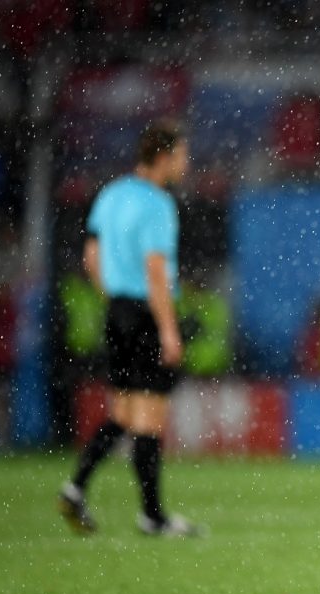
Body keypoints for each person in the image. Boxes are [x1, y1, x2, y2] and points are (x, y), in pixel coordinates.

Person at [57, 120, 201, 537]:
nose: (186, 163)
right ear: (164, 157)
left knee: (122, 413)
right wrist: (168, 330)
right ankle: (153, 517)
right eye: (182, 155)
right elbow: (156, 270)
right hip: (145, 312)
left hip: (116, 309)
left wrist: (115, 300)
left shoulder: (112, 193)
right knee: (149, 417)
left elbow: (91, 257)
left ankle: (76, 487)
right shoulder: (158, 204)